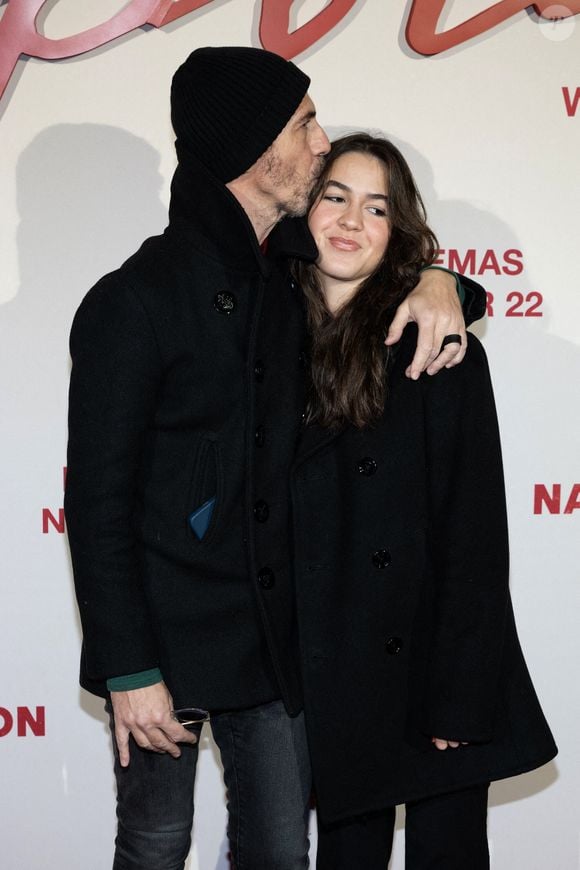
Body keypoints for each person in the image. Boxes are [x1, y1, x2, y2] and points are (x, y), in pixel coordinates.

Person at [64, 49, 486, 870]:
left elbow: (387, 279)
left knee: (281, 855)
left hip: (275, 644)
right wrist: (129, 668)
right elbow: (99, 504)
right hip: (163, 647)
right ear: (258, 148)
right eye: (305, 125)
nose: (323, 142)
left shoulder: (292, 274)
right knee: (153, 846)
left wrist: (444, 283)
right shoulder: (135, 299)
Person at [288, 133, 557, 869]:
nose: (349, 220)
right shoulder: (266, 343)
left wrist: (460, 699)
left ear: (397, 229)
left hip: (434, 665)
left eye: (376, 208)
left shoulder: (440, 354)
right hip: (332, 677)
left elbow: (473, 540)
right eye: (334, 196)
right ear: (303, 210)